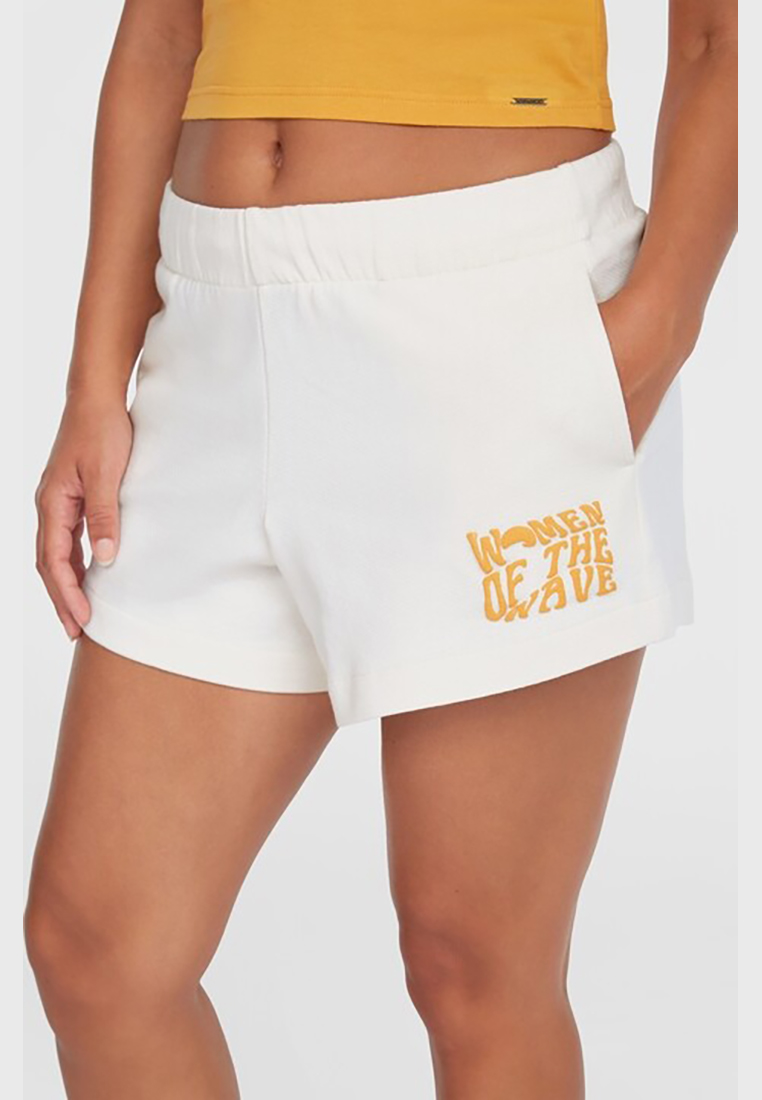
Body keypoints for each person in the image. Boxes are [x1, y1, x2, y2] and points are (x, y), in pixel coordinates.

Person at [25, 1, 737, 1097]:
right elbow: (163, 29)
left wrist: (656, 327)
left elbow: (720, 34)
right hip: (210, 328)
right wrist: (94, 383)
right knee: (98, 953)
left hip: (490, 305)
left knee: (475, 966)